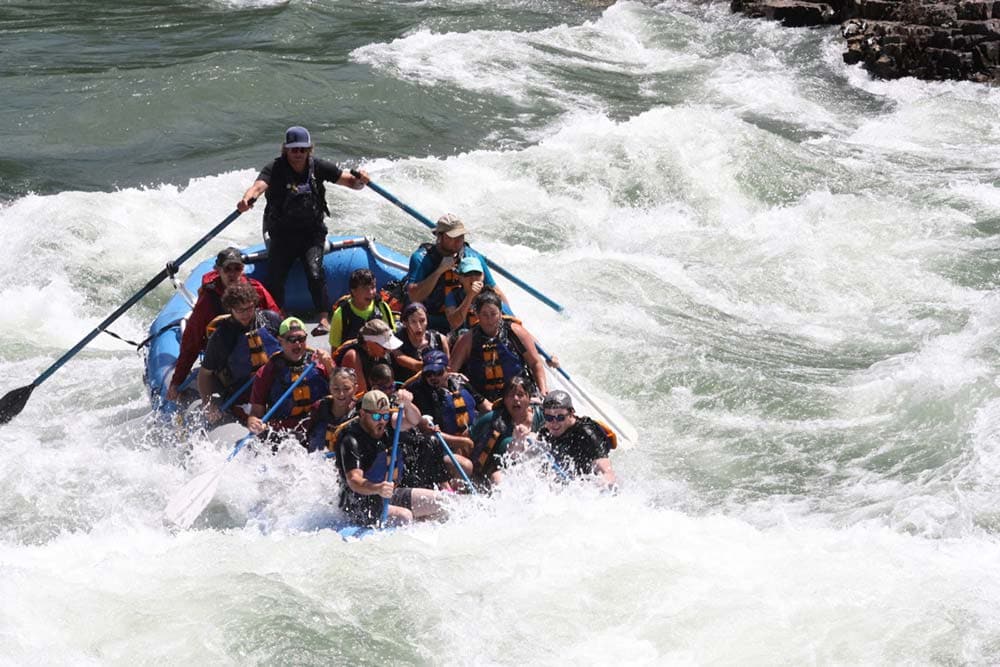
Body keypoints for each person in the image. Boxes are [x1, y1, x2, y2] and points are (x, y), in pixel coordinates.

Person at [236, 126, 370, 336]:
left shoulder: (317, 167)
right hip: (282, 233)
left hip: (312, 233)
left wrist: (361, 180)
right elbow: (258, 187)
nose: (298, 154)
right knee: (276, 275)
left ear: (309, 150)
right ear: (285, 150)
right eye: (293, 150)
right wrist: (247, 199)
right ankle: (278, 315)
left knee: (314, 272)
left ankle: (324, 318)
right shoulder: (275, 168)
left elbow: (350, 182)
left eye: (302, 149)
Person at [167, 247, 279, 401]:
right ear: (218, 270)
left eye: (237, 268)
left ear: (243, 269)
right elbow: (191, 341)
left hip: (258, 352)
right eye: (227, 269)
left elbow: (277, 322)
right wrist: (177, 381)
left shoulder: (256, 289)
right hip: (226, 358)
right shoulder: (209, 300)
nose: (233, 274)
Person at [332, 389, 445, 527]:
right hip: (360, 503)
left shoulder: (389, 425)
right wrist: (377, 488)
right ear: (362, 414)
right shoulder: (351, 440)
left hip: (387, 494)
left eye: (385, 416)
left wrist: (407, 404)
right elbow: (354, 480)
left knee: (440, 502)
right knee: (405, 517)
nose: (381, 422)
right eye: (376, 417)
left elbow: (414, 420)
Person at [197, 283, 283, 425]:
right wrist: (208, 404)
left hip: (276, 386)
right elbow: (204, 374)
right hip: (243, 393)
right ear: (230, 309)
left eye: (249, 308)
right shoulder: (221, 336)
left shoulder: (270, 320)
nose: (246, 314)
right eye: (240, 310)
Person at [448, 290, 549, 403]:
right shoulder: (467, 339)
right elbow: (451, 373)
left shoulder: (515, 332)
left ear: (501, 313)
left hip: (518, 397)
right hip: (484, 403)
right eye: (484, 314)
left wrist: (543, 391)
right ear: (477, 315)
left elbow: (535, 363)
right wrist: (479, 400)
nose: (489, 319)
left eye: (493, 314)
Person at [405, 213, 498, 334]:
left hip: (461, 320)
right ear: (440, 236)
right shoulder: (421, 258)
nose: (459, 241)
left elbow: (495, 290)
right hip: (429, 320)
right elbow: (414, 297)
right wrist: (439, 271)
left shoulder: (472, 256)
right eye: (453, 237)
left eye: (461, 236)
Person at [247, 317, 334, 445]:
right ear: (280, 341)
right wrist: (253, 422)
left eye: (301, 339)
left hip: (316, 426)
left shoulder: (322, 362)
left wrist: (330, 366)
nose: (297, 344)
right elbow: (256, 413)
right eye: (291, 339)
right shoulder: (267, 371)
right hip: (283, 431)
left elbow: (341, 393)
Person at [405, 349, 481, 474]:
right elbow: (429, 431)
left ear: (448, 370)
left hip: (470, 437)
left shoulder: (461, 382)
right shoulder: (421, 394)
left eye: (438, 372)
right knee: (465, 466)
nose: (433, 377)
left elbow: (486, 406)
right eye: (428, 374)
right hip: (442, 447)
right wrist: (461, 442)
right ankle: (458, 492)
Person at [469, 376, 545, 486]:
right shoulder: (493, 418)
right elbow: (467, 439)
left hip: (533, 470)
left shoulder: (543, 417)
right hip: (497, 471)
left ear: (529, 398)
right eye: (510, 395)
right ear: (504, 400)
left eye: (520, 395)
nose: (515, 399)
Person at [538, 390, 617, 488]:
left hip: (586, 485)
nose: (554, 423)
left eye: (560, 417)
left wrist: (593, 487)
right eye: (549, 418)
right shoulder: (546, 431)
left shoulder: (586, 433)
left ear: (571, 413)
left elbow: (608, 473)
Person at [328, 268, 396, 349]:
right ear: (353, 291)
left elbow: (391, 339)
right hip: (352, 357)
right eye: (365, 288)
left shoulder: (382, 307)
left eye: (373, 287)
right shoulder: (341, 314)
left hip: (378, 354)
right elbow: (335, 349)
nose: (371, 292)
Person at [333, 319, 402, 394]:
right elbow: (362, 395)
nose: (389, 350)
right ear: (370, 343)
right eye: (384, 347)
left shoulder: (380, 355)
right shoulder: (353, 357)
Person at [444, 255, 508, 336]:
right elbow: (454, 323)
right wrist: (470, 296)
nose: (473, 278)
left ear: (483, 276)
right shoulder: (452, 296)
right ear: (460, 277)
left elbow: (509, 318)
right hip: (462, 340)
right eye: (468, 274)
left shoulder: (493, 296)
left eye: (477, 274)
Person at [305, 367, 360, 454]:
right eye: (336, 389)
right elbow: (304, 436)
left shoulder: (360, 413)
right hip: (314, 462)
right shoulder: (319, 408)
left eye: (346, 389)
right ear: (330, 388)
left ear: (355, 389)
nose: (341, 394)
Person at [391, 302, 449, 382]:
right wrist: (433, 366)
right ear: (405, 323)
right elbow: (410, 363)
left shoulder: (440, 339)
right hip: (406, 388)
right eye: (413, 322)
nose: (419, 326)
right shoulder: (396, 342)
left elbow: (447, 368)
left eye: (422, 321)